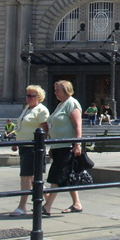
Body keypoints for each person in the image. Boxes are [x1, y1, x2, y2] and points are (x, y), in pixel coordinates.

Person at [42, 80, 84, 215]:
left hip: (67, 146)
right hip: (58, 146)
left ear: (66, 90)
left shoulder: (72, 103)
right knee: (66, 175)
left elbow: (78, 126)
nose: (55, 93)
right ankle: (77, 204)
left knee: (57, 176)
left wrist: (77, 144)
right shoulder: (61, 104)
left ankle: (47, 206)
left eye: (57, 90)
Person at [9, 85, 50, 216]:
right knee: (34, 179)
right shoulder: (27, 109)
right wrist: (16, 141)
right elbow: (20, 125)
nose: (28, 98)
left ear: (38, 97)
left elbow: (44, 130)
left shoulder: (42, 110)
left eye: (31, 96)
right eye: (27, 95)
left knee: (26, 176)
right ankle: (48, 204)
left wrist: (39, 145)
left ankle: (22, 206)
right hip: (24, 146)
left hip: (33, 148)